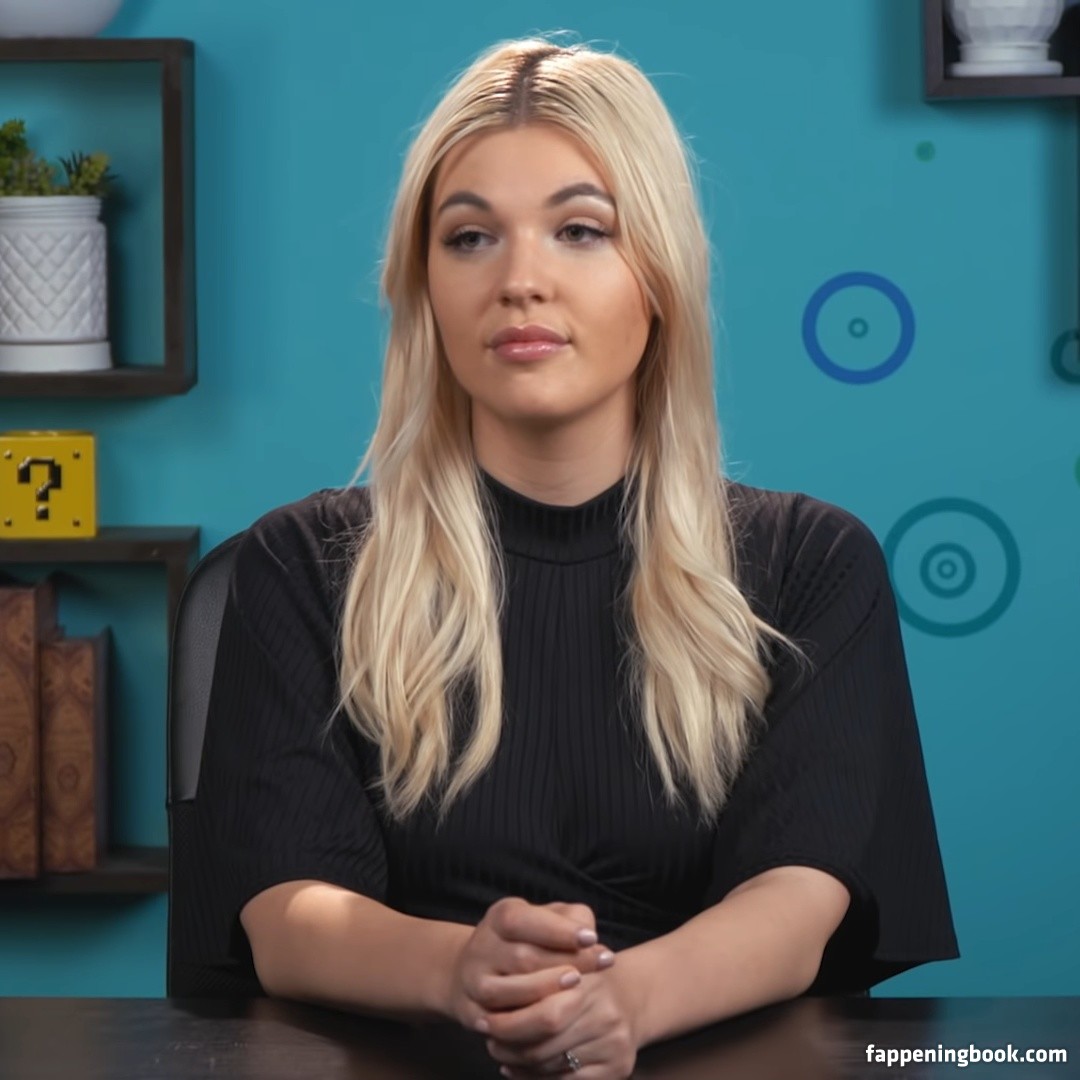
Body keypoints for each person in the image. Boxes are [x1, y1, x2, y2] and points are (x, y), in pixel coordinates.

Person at [186, 32, 960, 1080]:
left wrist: (622, 1003)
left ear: (659, 275)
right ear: (425, 286)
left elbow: (800, 899)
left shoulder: (812, 567)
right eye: (470, 238)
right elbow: (284, 914)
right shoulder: (301, 567)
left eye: (580, 230)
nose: (520, 281)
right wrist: (464, 971)